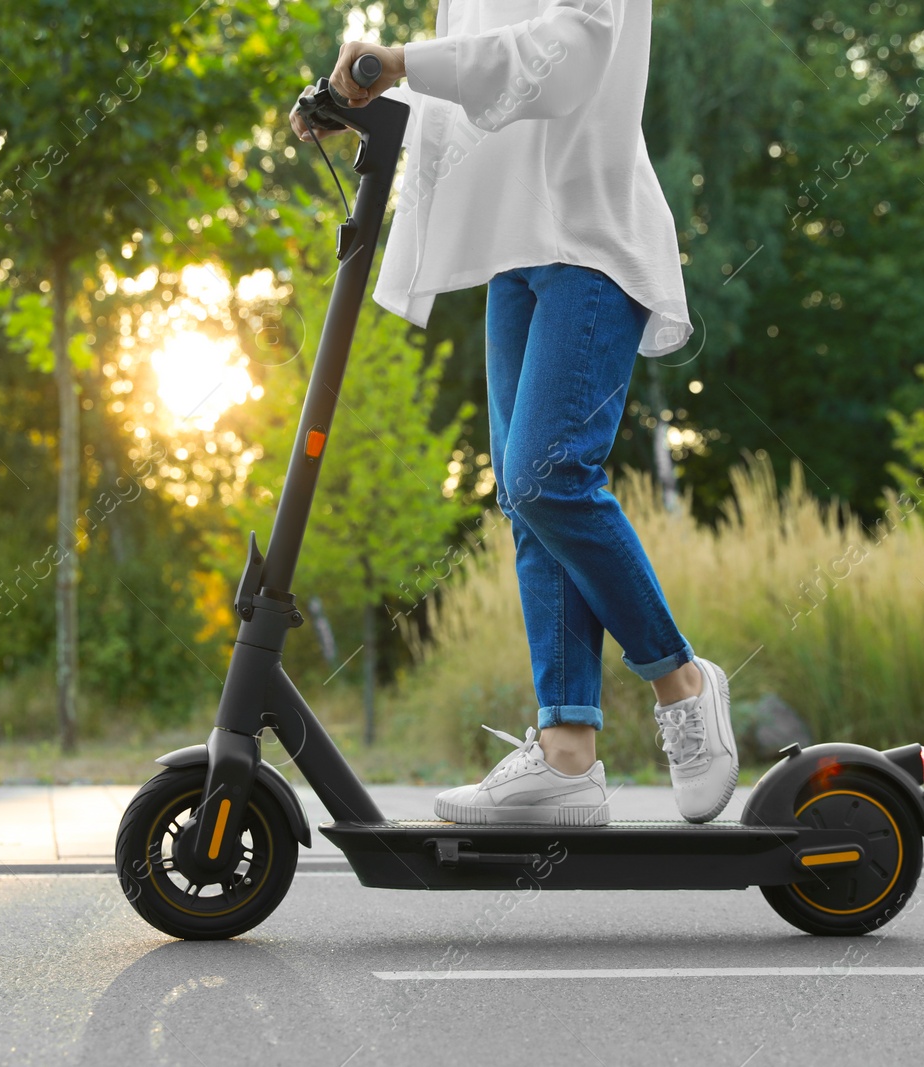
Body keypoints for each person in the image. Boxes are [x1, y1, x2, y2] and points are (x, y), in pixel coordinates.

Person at [288, 0, 736, 827]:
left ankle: (684, 681)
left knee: (546, 475)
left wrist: (405, 61)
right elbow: (469, 97)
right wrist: (364, 103)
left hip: (589, 238)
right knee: (527, 504)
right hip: (515, 251)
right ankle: (567, 754)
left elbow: (563, 57)